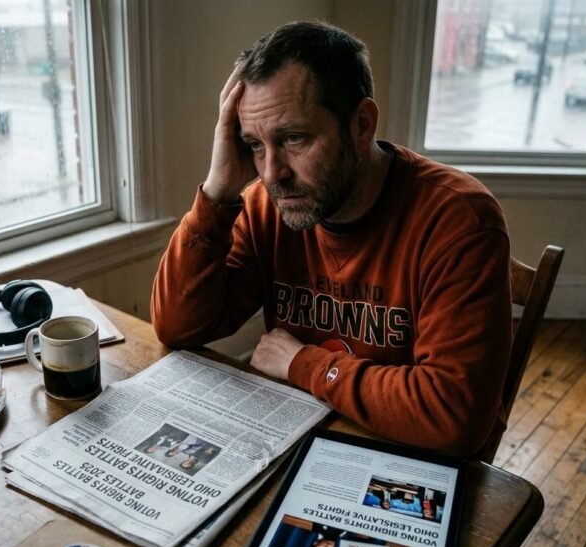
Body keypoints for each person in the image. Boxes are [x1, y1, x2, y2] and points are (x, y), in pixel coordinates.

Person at [150, 21, 512, 459]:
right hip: (302, 435)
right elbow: (178, 327)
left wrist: (302, 363)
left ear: (361, 125)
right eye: (255, 145)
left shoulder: (457, 219)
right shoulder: (265, 206)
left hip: (412, 459)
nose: (272, 173)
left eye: (293, 138)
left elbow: (453, 416)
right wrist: (218, 190)